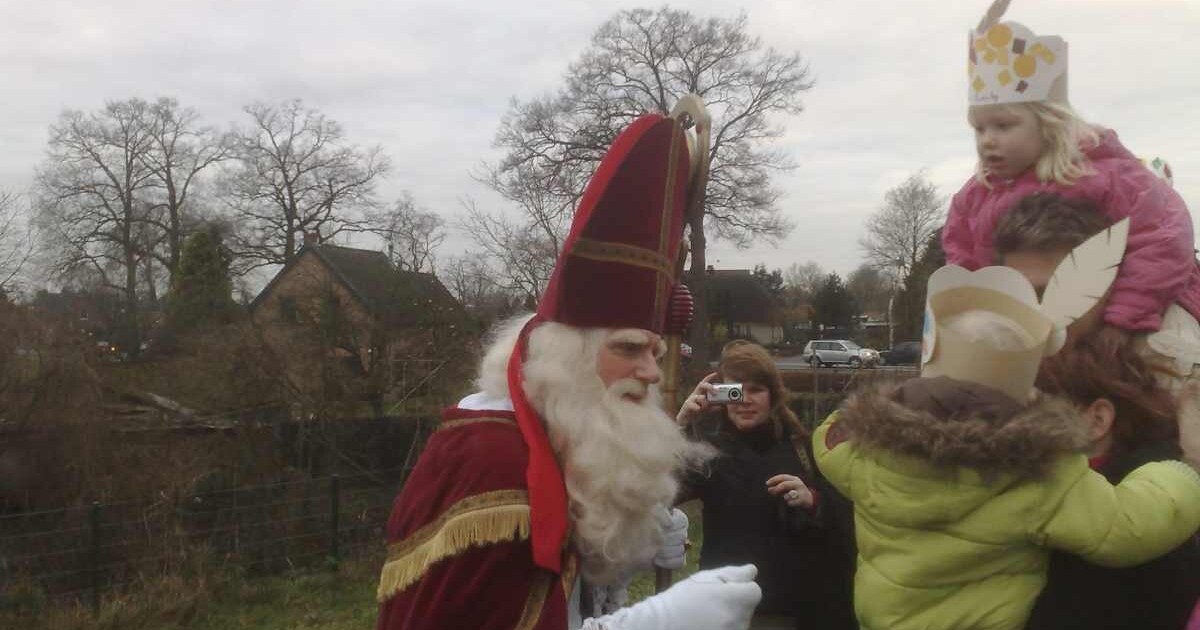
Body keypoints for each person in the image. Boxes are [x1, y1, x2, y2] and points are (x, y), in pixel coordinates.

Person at [375, 111, 761, 630]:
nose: (650, 372)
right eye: (628, 349)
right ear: (567, 358)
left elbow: (567, 575)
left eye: (656, 353)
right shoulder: (489, 462)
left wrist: (636, 545)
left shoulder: (563, 429)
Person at [812, 223, 1200, 630]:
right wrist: (1183, 472)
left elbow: (829, 441)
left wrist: (855, 420)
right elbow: (1127, 526)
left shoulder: (866, 453)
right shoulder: (1032, 474)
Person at [942, 0, 1200, 339]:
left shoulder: (1106, 175)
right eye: (980, 129)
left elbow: (1164, 238)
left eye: (1003, 126)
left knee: (1161, 363)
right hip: (1038, 323)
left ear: (1048, 123)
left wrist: (1125, 318)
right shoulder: (974, 198)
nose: (988, 140)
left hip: (1142, 312)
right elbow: (965, 265)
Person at [1024, 327, 1200, 629]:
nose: (1017, 424)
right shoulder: (1166, 499)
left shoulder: (1108, 525)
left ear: (1097, 420)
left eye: (1037, 405)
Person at [675, 341, 857, 630]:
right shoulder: (709, 452)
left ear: (773, 395)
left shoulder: (807, 450)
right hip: (723, 609)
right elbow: (660, 493)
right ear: (719, 397)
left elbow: (850, 517)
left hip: (792, 611)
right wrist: (681, 426)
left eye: (756, 390)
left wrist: (814, 501)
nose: (745, 400)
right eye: (734, 391)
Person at [994, 192, 1200, 390]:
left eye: (1051, 292)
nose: (1035, 313)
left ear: (1109, 282)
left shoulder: (1168, 350)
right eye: (1020, 295)